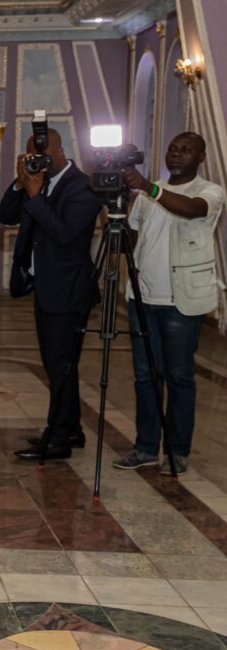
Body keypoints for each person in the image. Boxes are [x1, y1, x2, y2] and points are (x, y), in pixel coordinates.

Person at [112, 132, 225, 475]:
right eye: (173, 149)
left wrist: (148, 189)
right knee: (146, 377)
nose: (176, 154)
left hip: (181, 301)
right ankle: (146, 447)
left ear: (201, 157)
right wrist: (114, 212)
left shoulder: (209, 192)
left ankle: (177, 451)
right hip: (143, 296)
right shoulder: (149, 193)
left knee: (179, 376)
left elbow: (190, 210)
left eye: (186, 150)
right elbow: (132, 237)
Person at [0, 129, 102, 461]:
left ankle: (57, 438)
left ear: (59, 150)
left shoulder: (82, 187)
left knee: (61, 365)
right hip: (46, 287)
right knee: (58, 365)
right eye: (30, 157)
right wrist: (20, 183)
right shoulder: (36, 182)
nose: (37, 161)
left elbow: (64, 234)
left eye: (41, 155)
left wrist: (35, 196)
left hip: (69, 290)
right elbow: (6, 216)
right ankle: (70, 429)